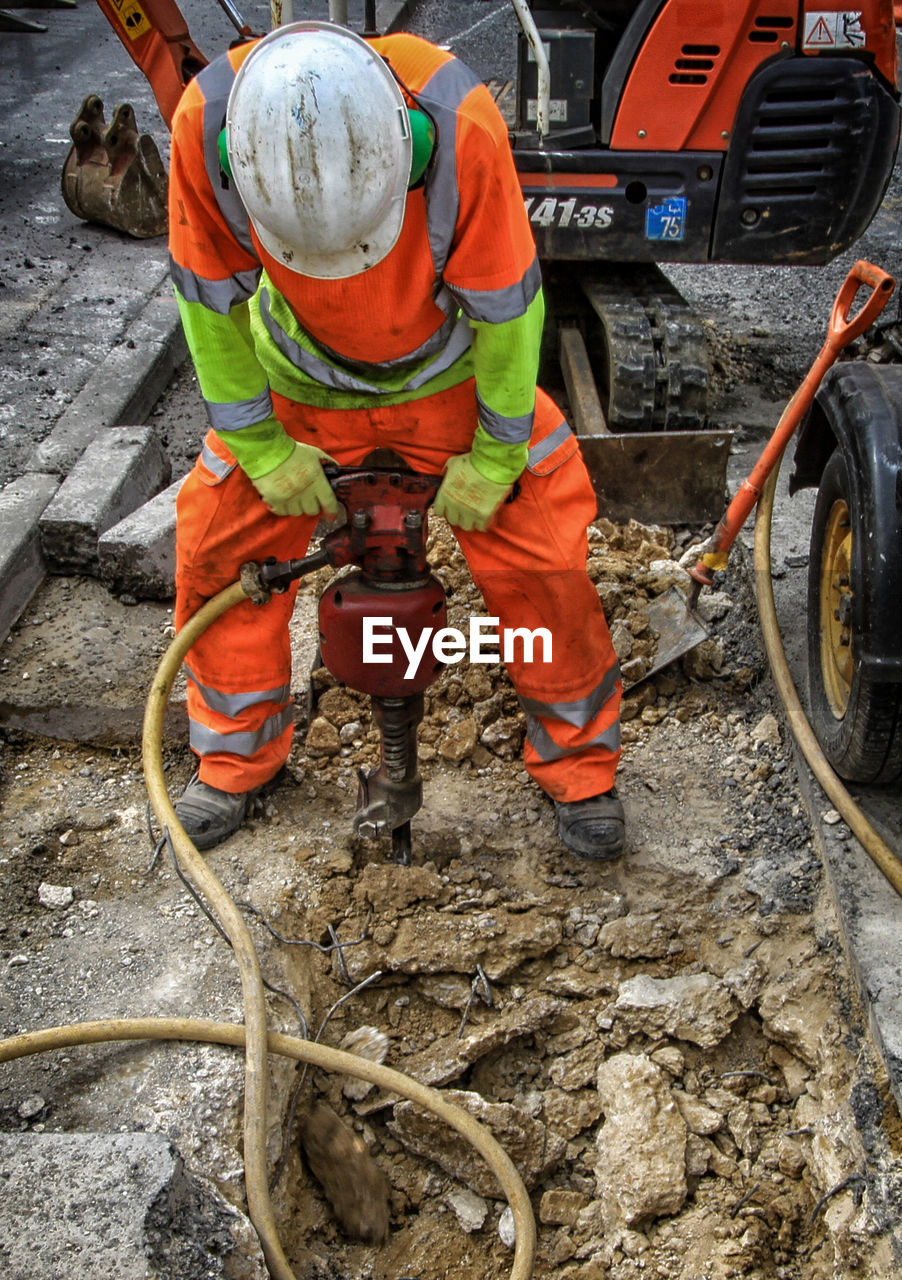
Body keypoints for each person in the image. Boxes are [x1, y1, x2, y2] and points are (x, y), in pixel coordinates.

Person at [167, 20, 625, 859]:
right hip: (300, 388)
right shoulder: (206, 131)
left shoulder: (458, 125)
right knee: (216, 549)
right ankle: (236, 761)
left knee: (544, 558)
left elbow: (510, 310)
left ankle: (581, 766)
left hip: (447, 385)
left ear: (406, 153)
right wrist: (264, 452)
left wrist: (495, 458)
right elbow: (208, 305)